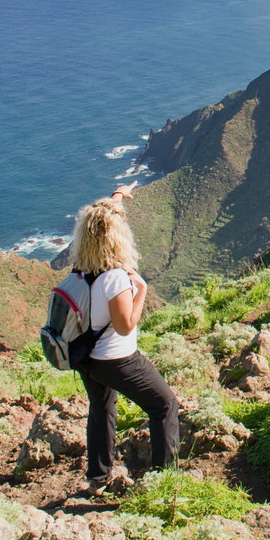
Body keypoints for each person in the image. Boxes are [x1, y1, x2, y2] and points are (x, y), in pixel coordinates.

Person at [68, 182, 179, 495]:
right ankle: (163, 481)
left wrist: (117, 196)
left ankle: (98, 478)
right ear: (116, 238)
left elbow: (102, 218)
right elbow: (126, 324)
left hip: (86, 358)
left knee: (101, 409)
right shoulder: (115, 277)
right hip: (116, 359)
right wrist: (141, 291)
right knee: (164, 405)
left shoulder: (82, 268)